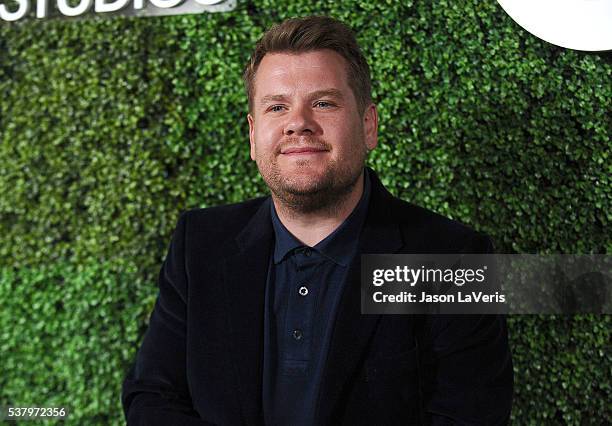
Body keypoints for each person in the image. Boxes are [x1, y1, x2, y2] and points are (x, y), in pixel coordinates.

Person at [122, 15, 513, 425]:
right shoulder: (200, 244)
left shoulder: (452, 260)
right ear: (254, 136)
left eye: (324, 103)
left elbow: (468, 417)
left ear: (368, 125)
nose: (298, 124)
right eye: (277, 107)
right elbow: (153, 396)